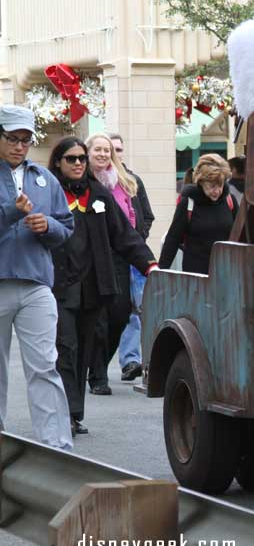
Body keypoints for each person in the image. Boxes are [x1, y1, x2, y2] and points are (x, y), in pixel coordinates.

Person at [48, 138, 157, 435]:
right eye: (71, 159)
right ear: (58, 162)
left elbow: (125, 235)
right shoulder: (50, 193)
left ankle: (74, 412)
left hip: (94, 287)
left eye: (82, 158)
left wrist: (149, 263)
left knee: (83, 350)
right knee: (65, 348)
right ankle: (65, 413)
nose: (79, 163)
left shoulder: (98, 195)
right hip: (59, 286)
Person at [0, 105, 74, 450]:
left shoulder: (46, 178)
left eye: (26, 140)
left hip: (36, 283)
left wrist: (49, 227)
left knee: (45, 366)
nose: (19, 146)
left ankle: (57, 446)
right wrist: (14, 210)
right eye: (12, 138)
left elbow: (67, 227)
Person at [84, 133, 138, 395]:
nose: (104, 154)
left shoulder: (123, 181)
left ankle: (99, 363)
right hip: (91, 256)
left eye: (107, 150)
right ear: (88, 152)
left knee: (120, 313)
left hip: (119, 254)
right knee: (98, 318)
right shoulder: (83, 182)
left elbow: (135, 215)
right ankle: (98, 376)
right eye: (98, 150)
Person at [107, 133, 154, 382]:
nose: (115, 153)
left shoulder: (132, 180)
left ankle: (131, 361)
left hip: (134, 255)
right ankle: (97, 364)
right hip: (109, 255)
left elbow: (147, 214)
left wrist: (139, 236)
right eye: (112, 148)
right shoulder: (100, 182)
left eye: (118, 149)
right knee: (112, 310)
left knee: (136, 309)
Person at [159, 154, 238, 275]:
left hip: (225, 273)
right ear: (201, 182)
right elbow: (173, 239)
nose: (217, 191)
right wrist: (161, 272)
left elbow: (240, 238)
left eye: (220, 185)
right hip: (196, 277)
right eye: (212, 186)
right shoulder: (188, 202)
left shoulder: (229, 200)